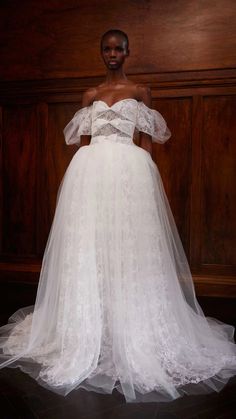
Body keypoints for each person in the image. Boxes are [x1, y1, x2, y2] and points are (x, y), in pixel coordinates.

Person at [0, 29, 236, 404]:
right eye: (107, 49)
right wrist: (83, 174)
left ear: (128, 52)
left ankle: (133, 324)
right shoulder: (90, 95)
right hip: (90, 174)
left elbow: (147, 141)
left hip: (130, 172)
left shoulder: (141, 91)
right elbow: (83, 143)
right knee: (90, 243)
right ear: (101, 53)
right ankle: (88, 324)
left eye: (118, 49)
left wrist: (143, 174)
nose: (112, 54)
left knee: (130, 245)